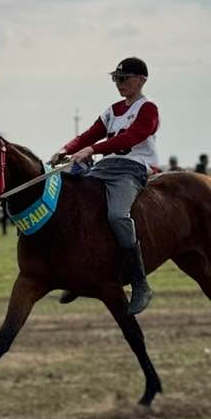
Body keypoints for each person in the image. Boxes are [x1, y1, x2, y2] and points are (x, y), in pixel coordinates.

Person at [51, 56, 159, 314]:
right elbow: (89, 134)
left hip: (131, 170)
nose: (119, 83)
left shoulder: (148, 109)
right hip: (103, 169)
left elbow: (131, 137)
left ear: (141, 80)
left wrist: (91, 149)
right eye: (116, 79)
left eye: (124, 78)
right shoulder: (112, 110)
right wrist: (66, 149)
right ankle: (77, 276)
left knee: (117, 216)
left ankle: (139, 282)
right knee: (74, 207)